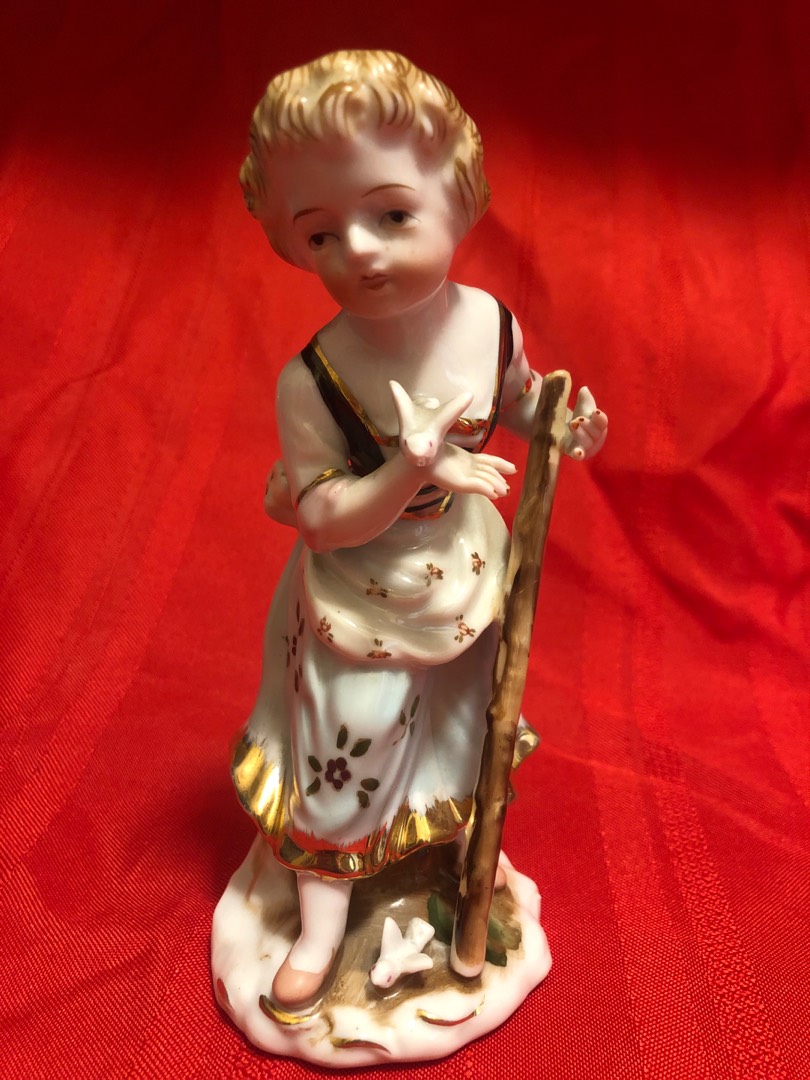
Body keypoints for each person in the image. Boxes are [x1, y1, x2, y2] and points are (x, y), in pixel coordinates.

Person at [231, 49, 608, 1009]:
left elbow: (519, 401)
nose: (359, 251)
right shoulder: (313, 382)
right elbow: (323, 520)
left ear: (459, 197)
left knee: (461, 726)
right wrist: (411, 465)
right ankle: (322, 923)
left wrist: (560, 420)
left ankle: (456, 853)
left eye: (391, 215)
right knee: (347, 747)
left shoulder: (489, 323)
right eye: (322, 234)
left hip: (467, 574)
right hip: (362, 595)